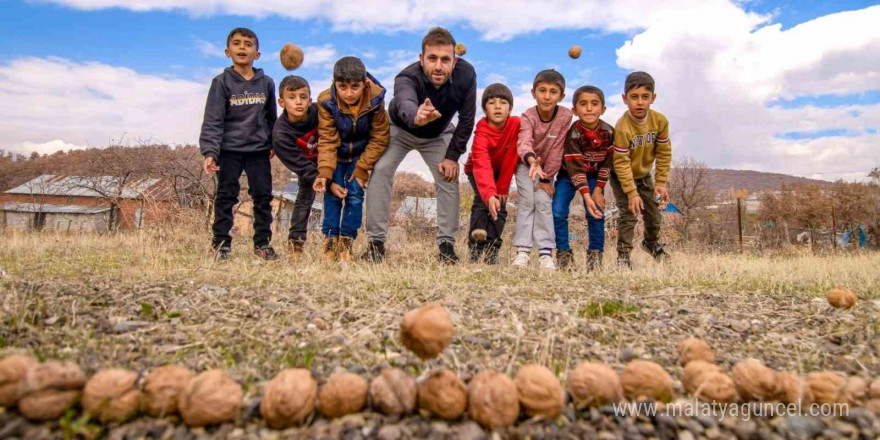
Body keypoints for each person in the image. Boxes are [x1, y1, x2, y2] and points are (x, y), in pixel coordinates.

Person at [362, 27, 477, 264]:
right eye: (432, 58)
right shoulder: (406, 77)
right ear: (421, 58)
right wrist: (416, 115)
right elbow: (404, 100)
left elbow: (467, 119)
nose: (438, 66)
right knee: (381, 169)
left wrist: (452, 156)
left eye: (445, 60)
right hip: (400, 129)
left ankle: (446, 245)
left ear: (455, 61)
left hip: (438, 133)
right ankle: (376, 243)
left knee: (448, 175)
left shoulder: (467, 75)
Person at [199, 27, 277, 261]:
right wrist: (211, 151)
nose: (242, 47)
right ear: (227, 51)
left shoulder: (267, 83)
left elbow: (271, 117)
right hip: (229, 150)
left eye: (248, 44)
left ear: (257, 54)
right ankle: (221, 244)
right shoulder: (221, 82)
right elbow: (213, 119)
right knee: (226, 196)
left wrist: (273, 141)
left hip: (258, 151)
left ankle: (262, 244)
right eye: (237, 43)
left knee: (263, 197)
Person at [313, 56, 390, 262]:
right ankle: (330, 241)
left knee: (355, 196)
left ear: (364, 84)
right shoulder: (326, 101)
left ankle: (346, 241)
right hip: (336, 154)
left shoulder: (376, 101)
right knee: (332, 195)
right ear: (334, 84)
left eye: (354, 87)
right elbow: (327, 138)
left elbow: (380, 136)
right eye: (342, 87)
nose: (348, 93)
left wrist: (363, 168)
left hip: (360, 155)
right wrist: (325, 172)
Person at [610, 71, 673, 269]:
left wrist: (661, 182)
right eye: (634, 97)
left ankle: (651, 243)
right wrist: (631, 193)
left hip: (644, 175)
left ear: (653, 98)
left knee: (653, 214)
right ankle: (623, 256)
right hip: (622, 177)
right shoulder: (622, 127)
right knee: (629, 215)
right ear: (624, 99)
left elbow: (664, 152)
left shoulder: (660, 121)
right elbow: (620, 162)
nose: (639, 102)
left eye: (645, 97)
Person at [512, 69, 572, 270]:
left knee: (543, 202)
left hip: (547, 170)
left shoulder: (565, 116)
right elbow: (523, 141)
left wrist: (546, 178)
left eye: (553, 92)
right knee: (528, 202)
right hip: (525, 165)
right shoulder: (528, 116)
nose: (547, 96)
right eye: (542, 90)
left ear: (561, 96)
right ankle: (522, 251)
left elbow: (557, 149)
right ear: (533, 92)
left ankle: (545, 253)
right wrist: (531, 161)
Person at [463, 83, 520, 264]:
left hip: (501, 173)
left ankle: (492, 250)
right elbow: (482, 165)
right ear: (484, 109)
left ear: (510, 108)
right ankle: (475, 248)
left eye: (503, 102)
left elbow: (512, 157)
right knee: (482, 201)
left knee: (501, 207)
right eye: (491, 102)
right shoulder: (481, 133)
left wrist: (502, 188)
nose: (497, 106)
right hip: (478, 171)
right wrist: (489, 194)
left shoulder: (515, 125)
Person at [560, 85, 612, 271]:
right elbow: (574, 167)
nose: (589, 108)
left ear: (603, 109)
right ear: (575, 110)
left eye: (594, 104)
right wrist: (586, 195)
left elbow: (608, 163)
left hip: (595, 176)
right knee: (558, 211)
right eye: (583, 104)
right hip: (569, 174)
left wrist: (597, 190)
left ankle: (595, 261)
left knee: (596, 212)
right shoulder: (573, 134)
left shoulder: (609, 133)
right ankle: (564, 257)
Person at [271, 75, 319, 259]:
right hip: (305, 165)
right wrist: (320, 179)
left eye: (303, 96)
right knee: (305, 196)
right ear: (282, 102)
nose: (298, 102)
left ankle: (336, 241)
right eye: (292, 97)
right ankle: (295, 244)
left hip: (329, 159)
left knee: (339, 195)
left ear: (310, 100)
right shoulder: (281, 134)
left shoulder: (319, 112)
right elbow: (301, 166)